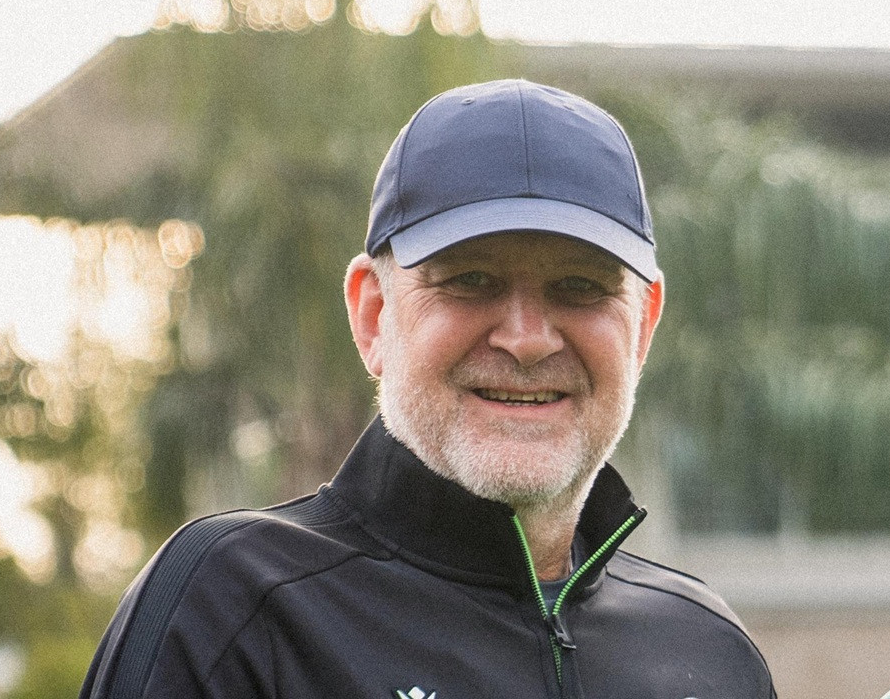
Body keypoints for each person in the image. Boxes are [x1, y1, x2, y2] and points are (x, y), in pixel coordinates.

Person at [80, 80, 776, 698]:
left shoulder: (712, 652)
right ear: (374, 314)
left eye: (580, 287)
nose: (528, 338)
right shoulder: (233, 611)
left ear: (643, 327)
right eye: (471, 279)